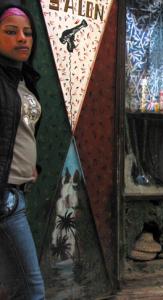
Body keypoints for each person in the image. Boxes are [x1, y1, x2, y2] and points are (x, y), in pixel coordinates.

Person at [0, 4, 45, 299]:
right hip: (6, 198)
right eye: (11, 32)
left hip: (18, 193)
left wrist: (33, 167)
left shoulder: (24, 81)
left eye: (28, 33)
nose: (22, 39)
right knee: (32, 290)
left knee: (14, 288)